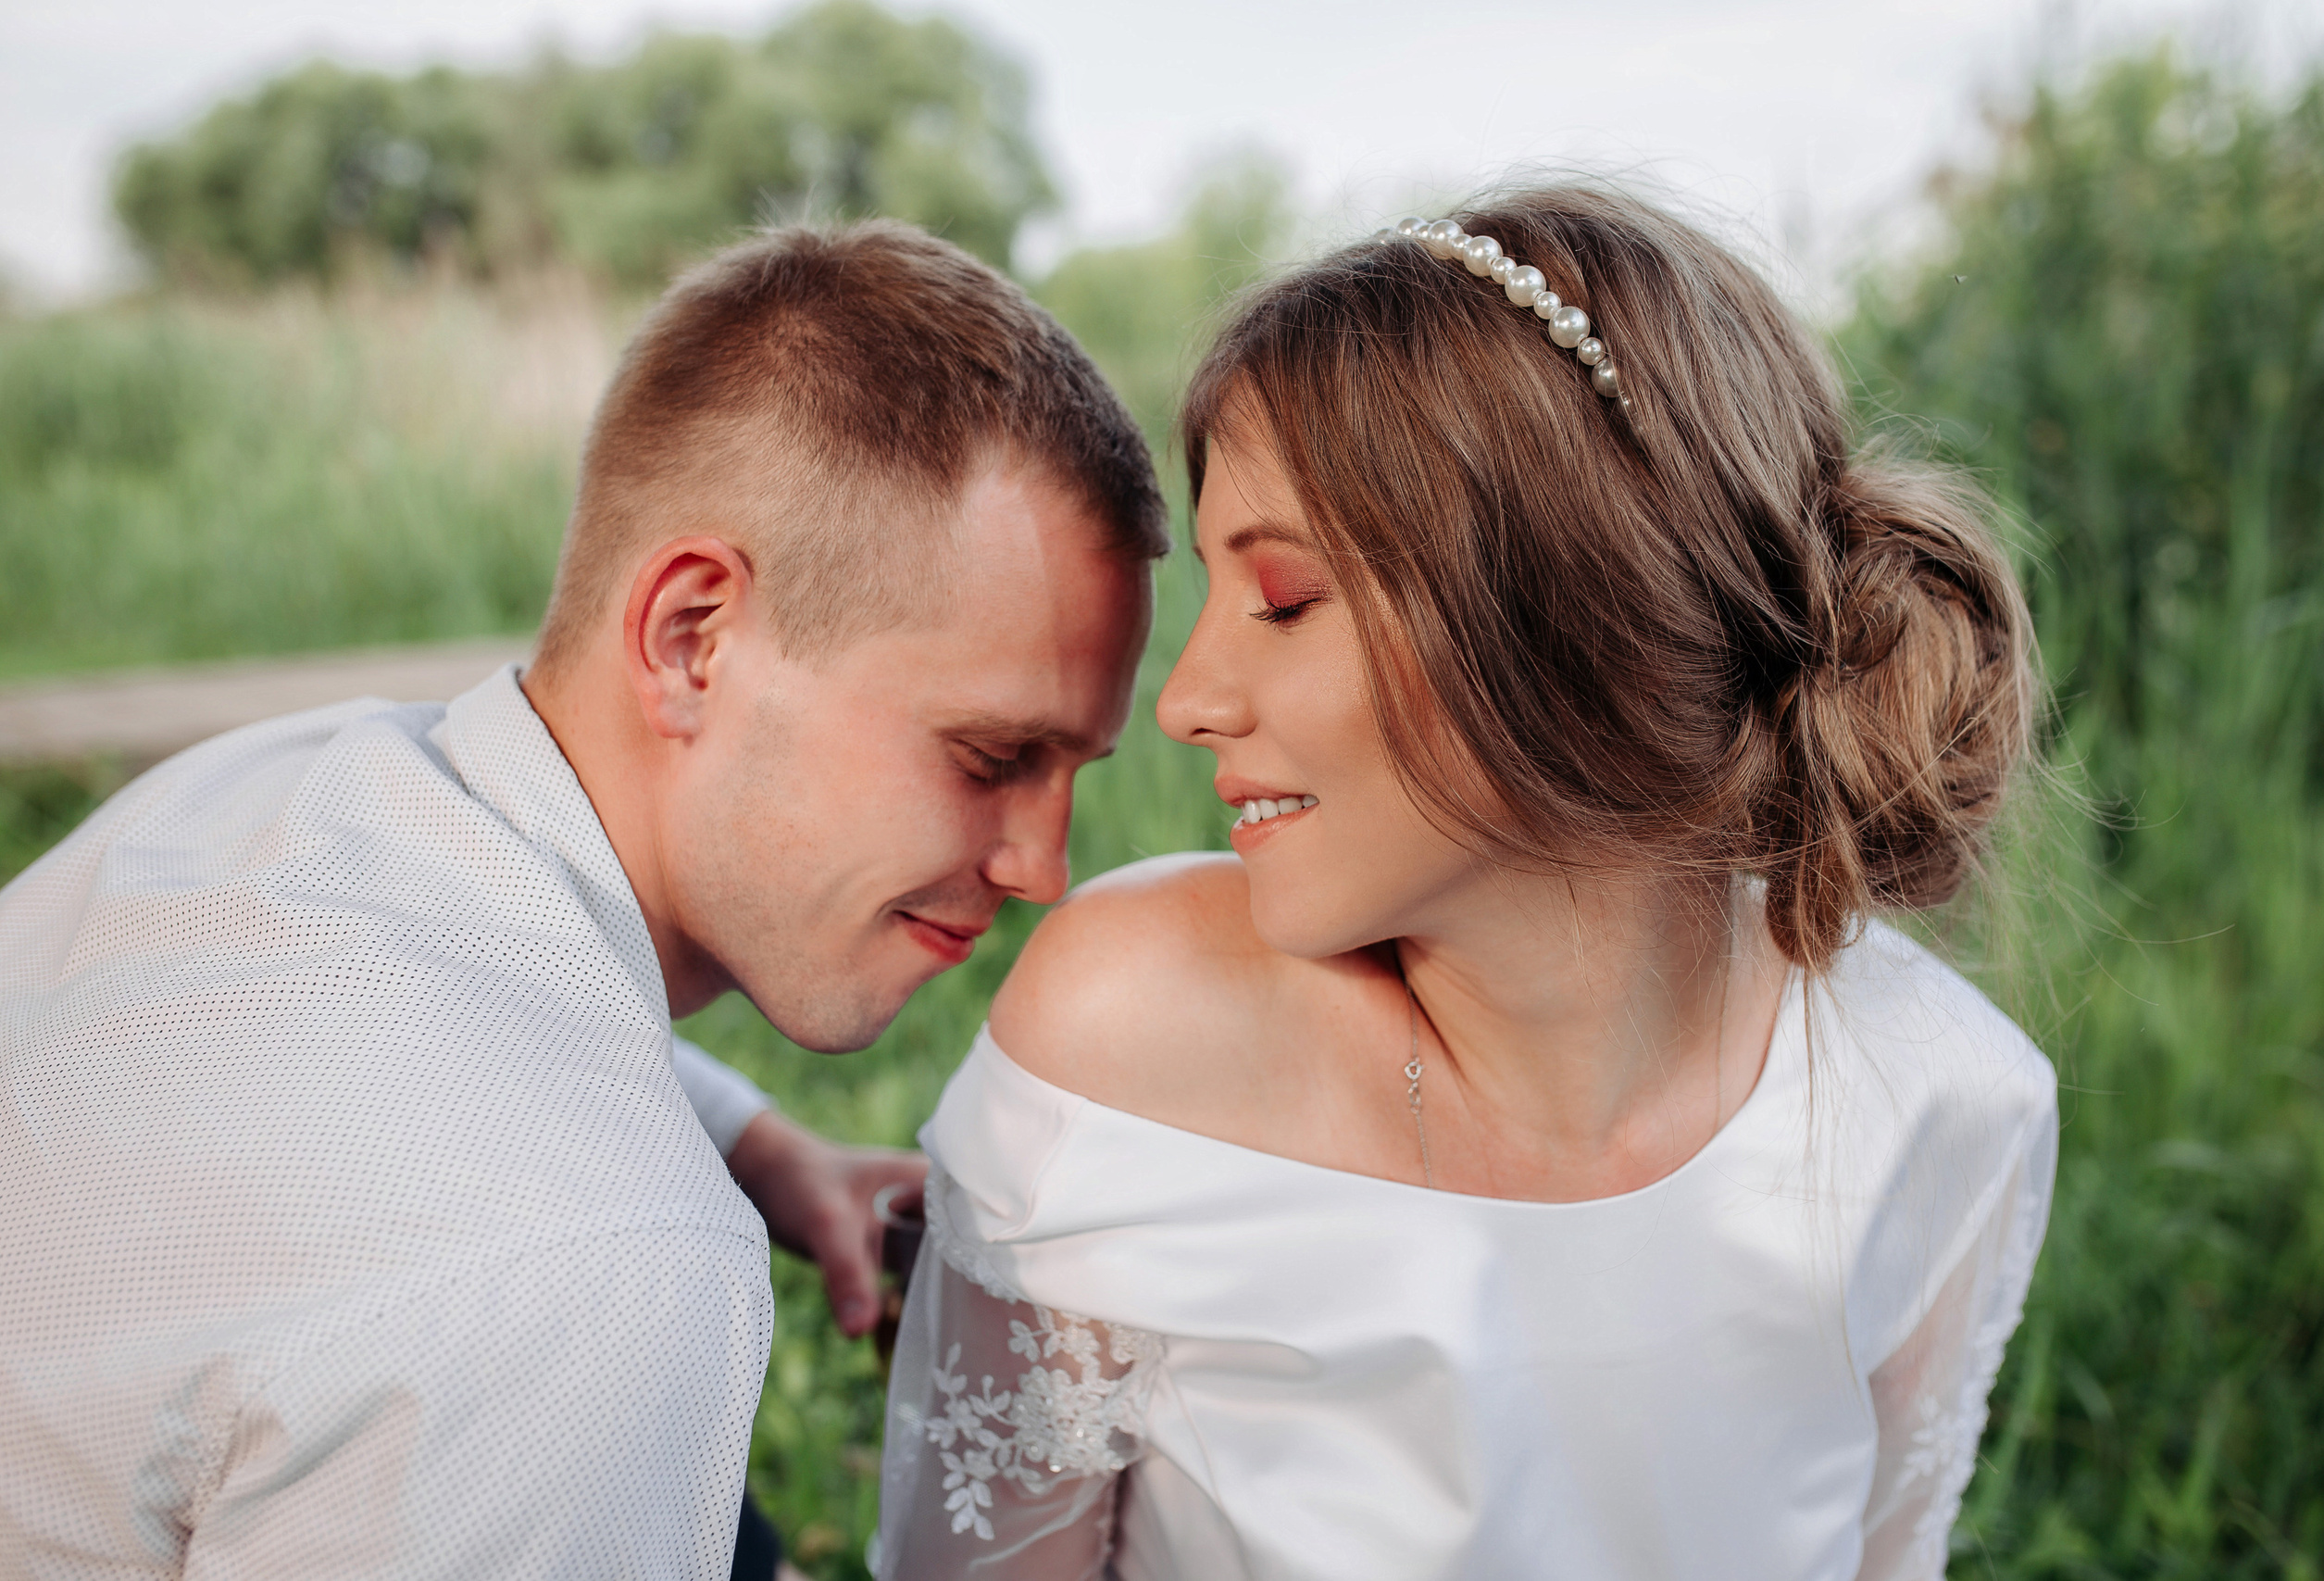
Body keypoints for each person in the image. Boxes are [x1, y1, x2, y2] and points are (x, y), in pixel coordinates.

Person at [873, 188, 2057, 1579]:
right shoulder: (1130, 1047)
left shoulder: (1941, 1104)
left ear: (1572, 617)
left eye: (1286, 599)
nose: (1187, 700)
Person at [0, 220, 1163, 1577]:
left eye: (1073, 769)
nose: (1044, 865)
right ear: (691, 639)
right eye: (992, 757)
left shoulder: (276, 792)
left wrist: (755, 1142)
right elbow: (535, 1233)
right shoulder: (597, 1273)